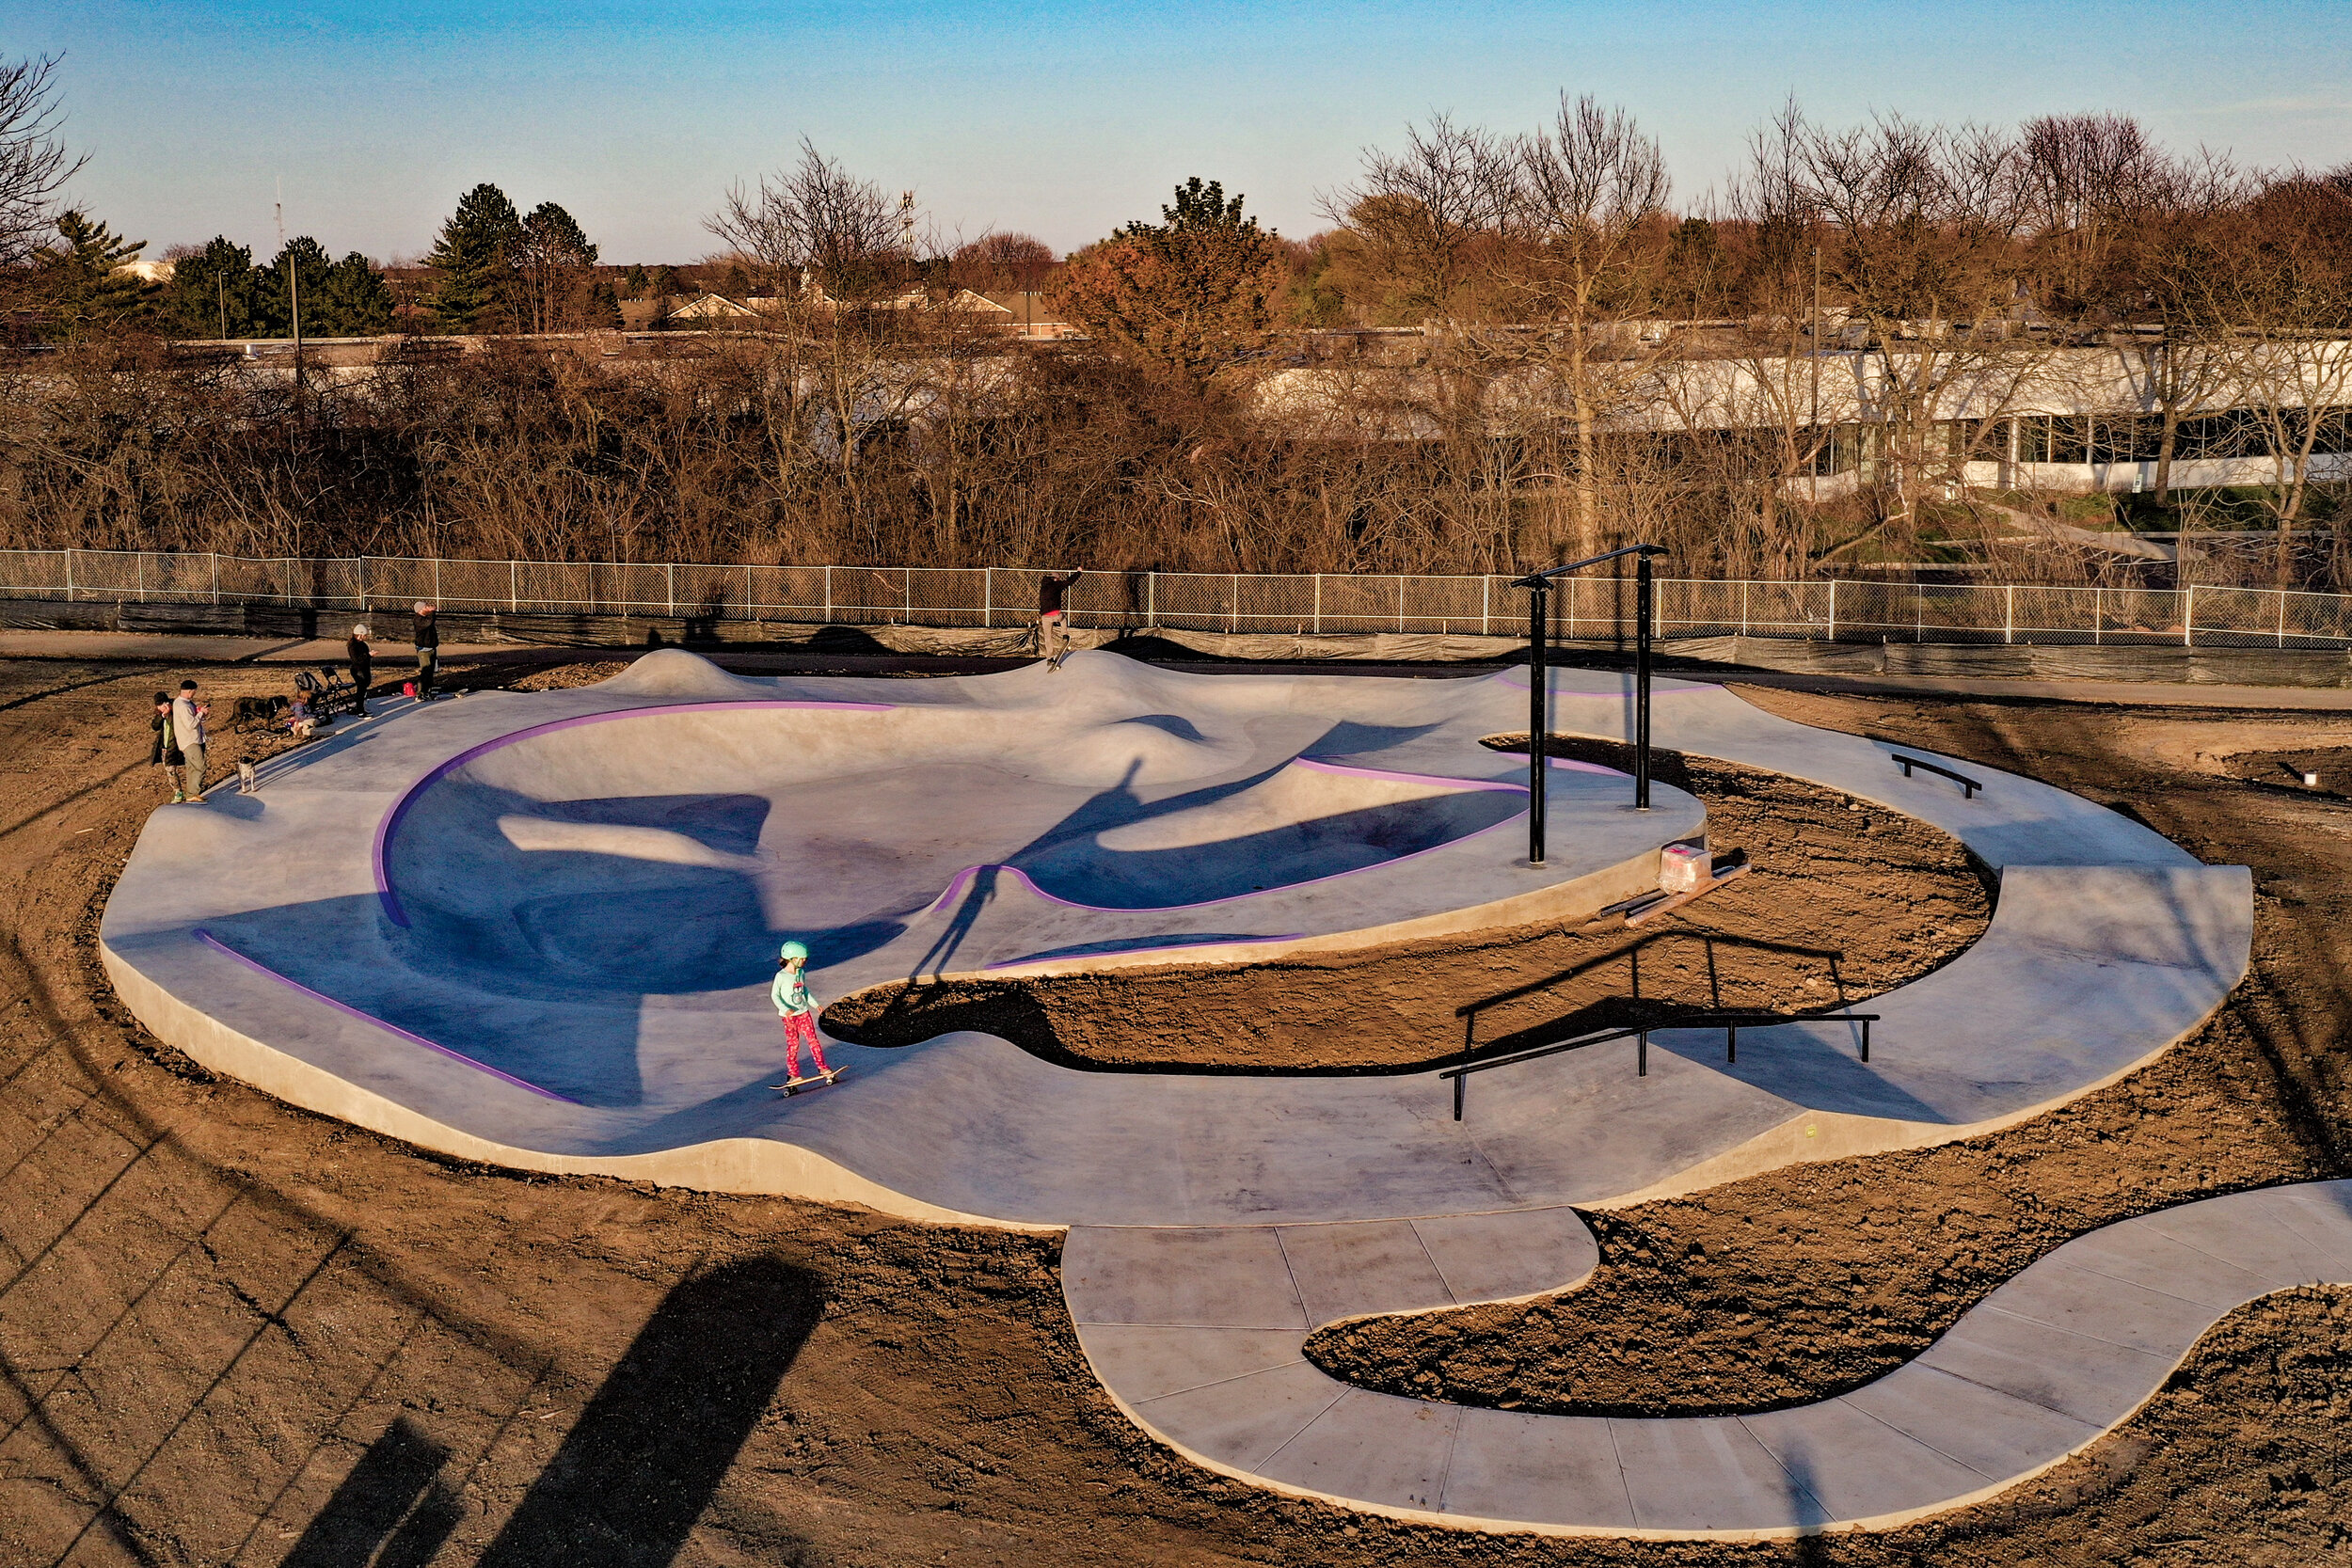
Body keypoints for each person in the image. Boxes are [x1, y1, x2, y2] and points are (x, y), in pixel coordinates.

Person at [771, 941, 832, 1082]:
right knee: (793, 1045)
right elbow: (775, 995)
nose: (804, 961)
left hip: (804, 1013)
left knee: (813, 1041)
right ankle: (792, 1074)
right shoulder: (781, 976)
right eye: (802, 959)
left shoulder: (800, 972)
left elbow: (804, 991)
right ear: (792, 959)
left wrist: (815, 1004)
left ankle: (823, 1067)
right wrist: (785, 1009)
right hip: (790, 1017)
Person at [169, 679, 209, 803]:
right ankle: (193, 793)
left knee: (191, 768)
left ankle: (191, 793)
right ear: (190, 691)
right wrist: (201, 714)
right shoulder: (184, 706)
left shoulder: (179, 703)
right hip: (191, 740)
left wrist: (198, 713)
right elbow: (191, 724)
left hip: (185, 740)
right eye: (194, 691)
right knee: (200, 766)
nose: (194, 694)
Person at [1037, 568, 1083, 671]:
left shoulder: (1043, 586)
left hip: (1045, 616)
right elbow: (1069, 582)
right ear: (1056, 579)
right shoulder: (1056, 585)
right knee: (1063, 619)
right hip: (1056, 614)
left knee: (1047, 638)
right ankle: (1065, 635)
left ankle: (1049, 658)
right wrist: (1079, 572)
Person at [148, 690, 185, 802]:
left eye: (162, 705)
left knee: (172, 767)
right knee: (169, 770)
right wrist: (162, 716)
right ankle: (177, 791)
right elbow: (154, 726)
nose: (160, 708)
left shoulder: (176, 710)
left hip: (175, 745)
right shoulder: (160, 714)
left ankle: (183, 791)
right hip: (164, 746)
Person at [411, 602, 439, 701]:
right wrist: (432, 611)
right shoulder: (418, 620)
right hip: (423, 649)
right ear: (420, 609)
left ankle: (428, 691)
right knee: (425, 671)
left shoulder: (427, 618)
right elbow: (429, 622)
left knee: (431, 671)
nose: (428, 608)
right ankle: (420, 693)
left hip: (431, 647)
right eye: (425, 607)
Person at [346, 623, 373, 716]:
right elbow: (356, 659)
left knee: (365, 685)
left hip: (364, 668)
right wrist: (368, 655)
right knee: (361, 690)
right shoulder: (353, 645)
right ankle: (360, 711)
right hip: (358, 670)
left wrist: (369, 655)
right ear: (360, 634)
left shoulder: (363, 644)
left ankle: (360, 707)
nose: (366, 637)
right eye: (365, 635)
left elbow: (364, 656)